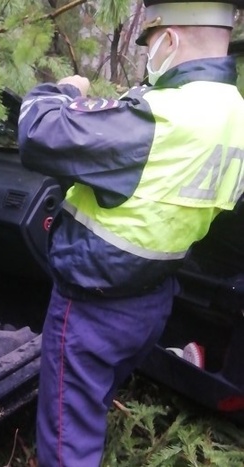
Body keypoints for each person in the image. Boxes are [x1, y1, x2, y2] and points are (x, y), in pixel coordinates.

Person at [17, 1, 244, 465]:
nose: (147, 55)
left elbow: (37, 131)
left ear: (169, 40)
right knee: (94, 397)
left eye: (149, 43)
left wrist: (64, 88)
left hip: (93, 310)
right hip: (153, 299)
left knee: (67, 441)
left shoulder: (158, 118)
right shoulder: (233, 113)